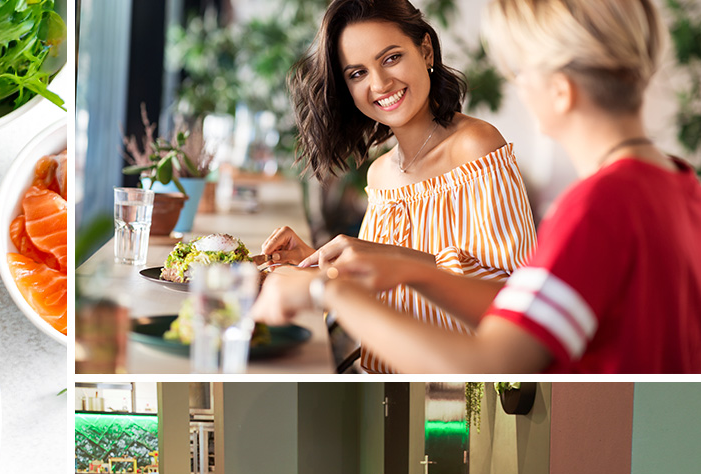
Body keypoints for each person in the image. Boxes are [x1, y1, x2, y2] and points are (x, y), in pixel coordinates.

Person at [251, 0, 701, 373]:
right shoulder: (682, 187)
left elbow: (497, 359)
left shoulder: (593, 211)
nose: (517, 90)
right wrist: (330, 271)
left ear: (560, 90)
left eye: (518, 72)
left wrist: (326, 291)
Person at [257, 0, 536, 373]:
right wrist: (313, 261)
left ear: (425, 50)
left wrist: (392, 261)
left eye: (390, 58)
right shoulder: (380, 174)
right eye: (357, 73)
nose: (379, 84)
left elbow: (518, 307)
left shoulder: (475, 147)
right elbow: (384, 289)